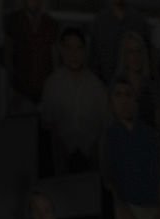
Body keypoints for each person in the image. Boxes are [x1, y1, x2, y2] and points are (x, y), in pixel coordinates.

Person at [100, 78, 160, 219]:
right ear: (111, 103)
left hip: (154, 206)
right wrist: (123, 209)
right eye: (118, 95)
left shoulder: (150, 134)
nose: (124, 100)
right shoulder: (109, 137)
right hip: (128, 207)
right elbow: (109, 178)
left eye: (128, 95)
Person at [40, 26, 109, 173]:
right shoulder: (52, 84)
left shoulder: (97, 86)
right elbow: (47, 123)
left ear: (85, 51)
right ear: (62, 51)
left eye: (78, 48)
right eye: (69, 48)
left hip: (91, 157)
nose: (74, 54)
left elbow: (104, 125)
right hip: (61, 157)